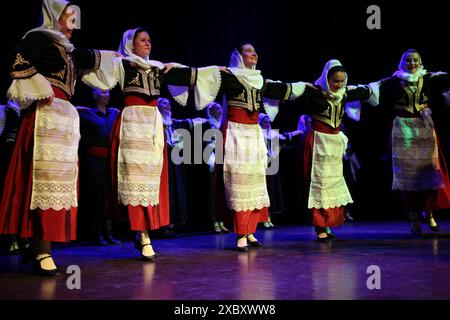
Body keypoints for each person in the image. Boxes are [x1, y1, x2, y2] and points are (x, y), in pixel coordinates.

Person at [82, 28, 221, 261]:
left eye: (149, 40)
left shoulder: (158, 68)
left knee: (151, 179)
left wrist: (216, 71)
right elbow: (90, 63)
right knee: (135, 179)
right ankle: (142, 233)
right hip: (133, 122)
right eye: (142, 40)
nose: (148, 43)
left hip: (153, 125)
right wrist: (109, 55)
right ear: (131, 44)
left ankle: (144, 231)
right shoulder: (123, 64)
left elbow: (189, 75)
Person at [170, 42, 307, 251]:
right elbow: (199, 76)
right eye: (248, 51)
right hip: (235, 132)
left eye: (254, 51)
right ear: (239, 56)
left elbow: (284, 88)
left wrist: (307, 86)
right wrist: (172, 68)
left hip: (253, 134)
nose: (253, 54)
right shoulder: (229, 75)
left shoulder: (260, 80)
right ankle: (240, 232)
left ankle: (250, 230)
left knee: (253, 182)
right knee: (237, 183)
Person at [0, 0, 103, 275]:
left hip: (64, 119)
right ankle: (43, 249)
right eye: (68, 17)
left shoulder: (69, 51)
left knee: (59, 182)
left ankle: (37, 245)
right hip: (45, 115)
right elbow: (16, 60)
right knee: (44, 181)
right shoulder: (38, 39)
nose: (73, 24)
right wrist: (40, 86)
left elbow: (106, 58)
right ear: (54, 16)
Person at [295, 59, 378, 241]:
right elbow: (291, 90)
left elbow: (368, 89)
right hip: (318, 142)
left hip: (334, 145)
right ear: (327, 78)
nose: (339, 84)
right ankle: (320, 227)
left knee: (333, 185)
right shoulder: (314, 92)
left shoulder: (345, 93)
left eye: (342, 81)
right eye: (335, 81)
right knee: (319, 185)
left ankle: (328, 225)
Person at [377, 49, 450, 235]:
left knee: (428, 172)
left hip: (425, 127)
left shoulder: (428, 78)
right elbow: (373, 91)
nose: (412, 63)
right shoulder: (394, 80)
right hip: (403, 128)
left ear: (421, 61)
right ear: (403, 62)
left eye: (415, 60)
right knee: (409, 176)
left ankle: (430, 213)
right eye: (408, 60)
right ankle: (413, 216)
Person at [77, 88, 121, 245]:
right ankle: (97, 233)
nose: (107, 95)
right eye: (103, 93)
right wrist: (77, 109)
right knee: (96, 197)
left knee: (109, 197)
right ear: (95, 95)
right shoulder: (87, 114)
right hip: (93, 160)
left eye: (108, 93)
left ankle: (109, 232)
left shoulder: (114, 113)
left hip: (110, 159)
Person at [258, 113, 303, 229]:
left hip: (272, 166)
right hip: (261, 167)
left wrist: (296, 132)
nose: (267, 124)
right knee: (263, 192)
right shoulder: (257, 135)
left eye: (269, 122)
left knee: (271, 192)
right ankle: (262, 218)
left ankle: (269, 218)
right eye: (265, 122)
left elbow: (284, 138)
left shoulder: (272, 134)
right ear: (260, 123)